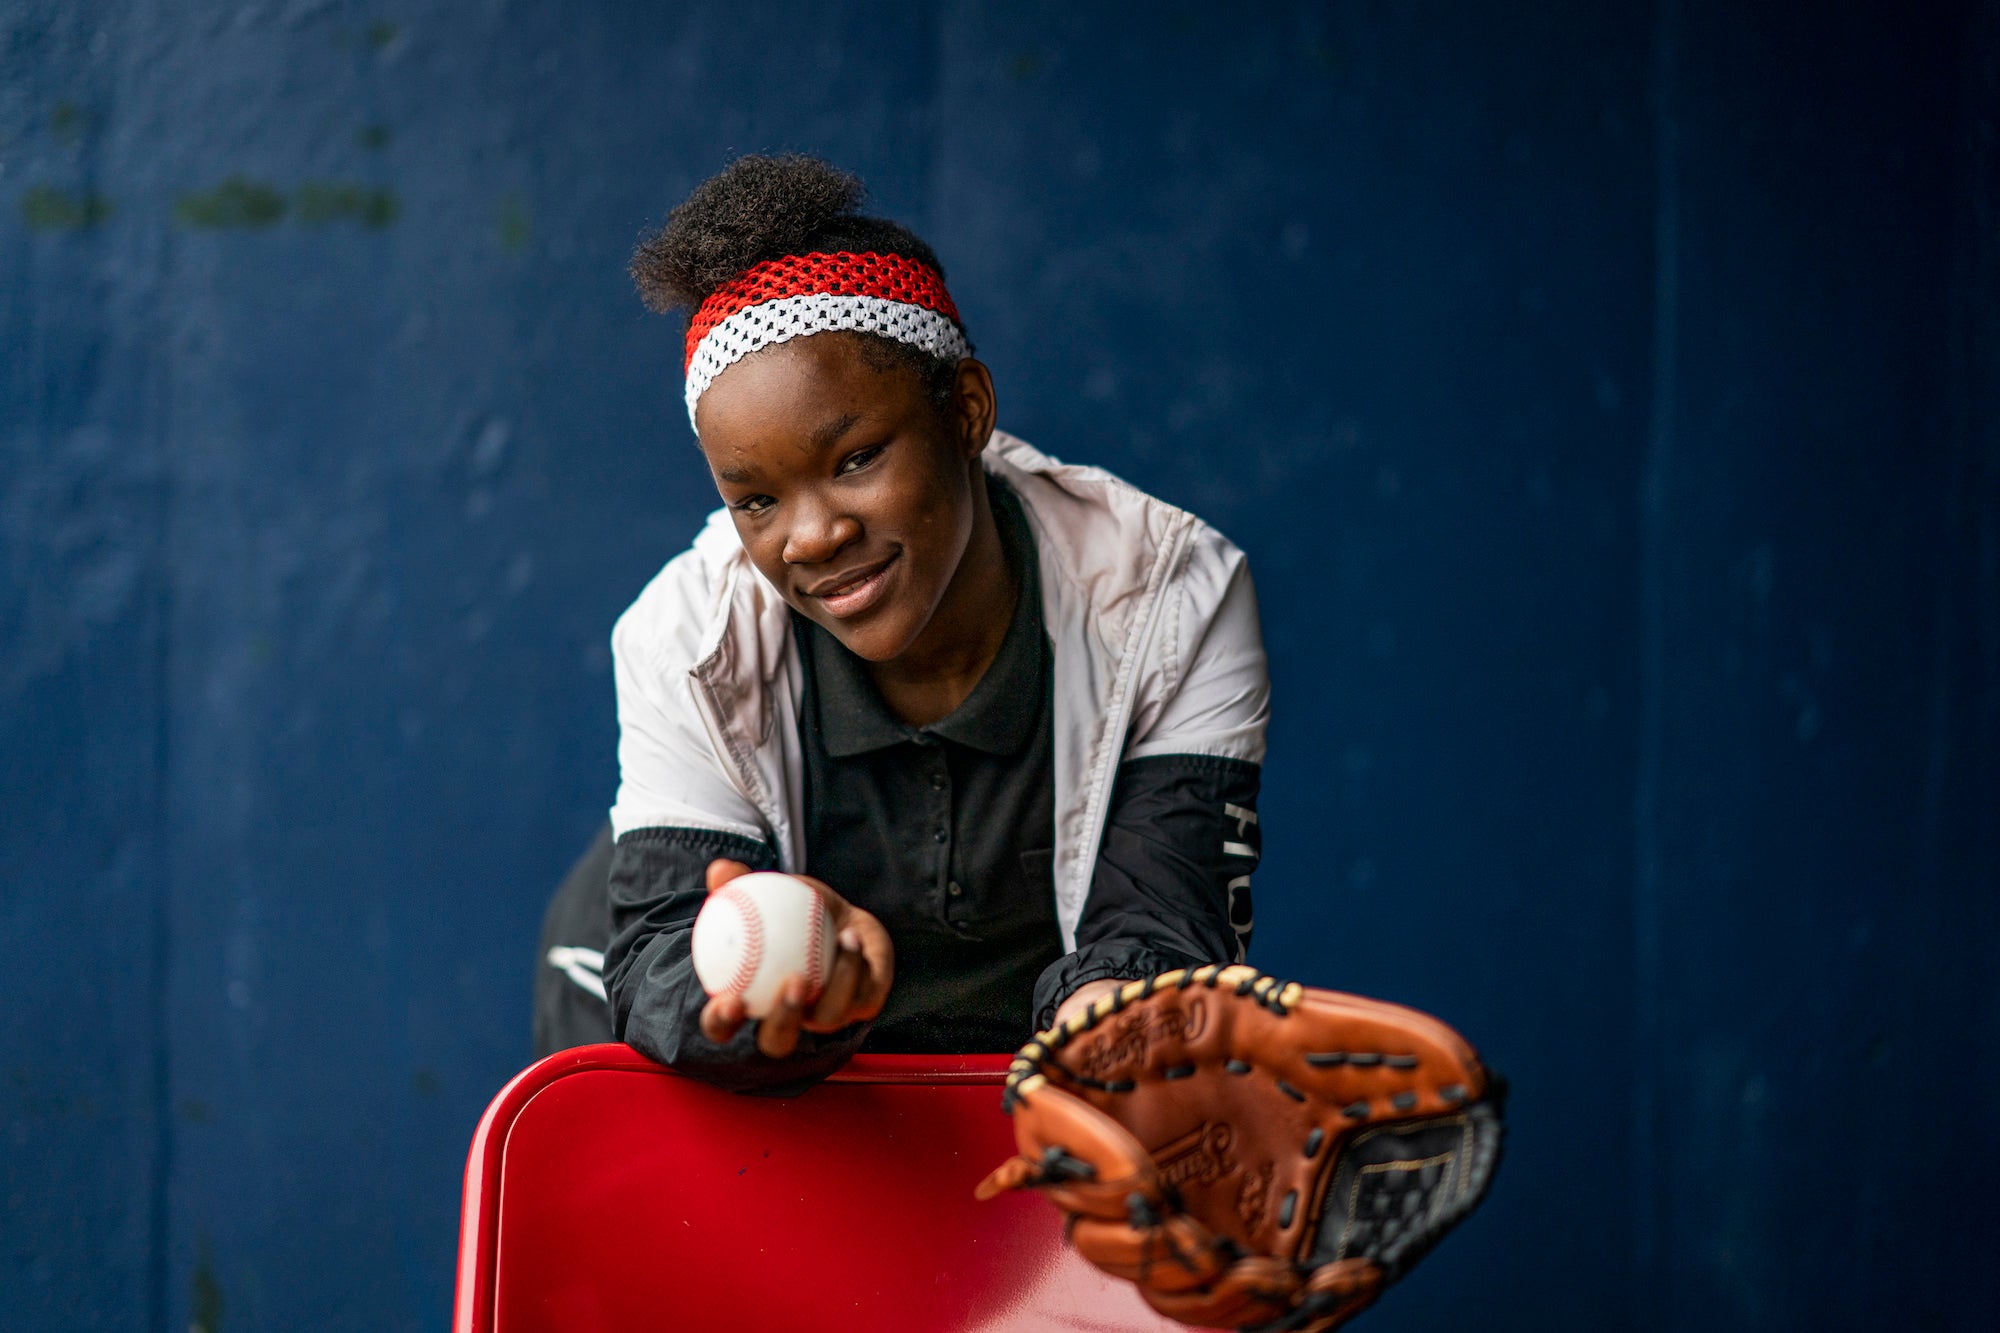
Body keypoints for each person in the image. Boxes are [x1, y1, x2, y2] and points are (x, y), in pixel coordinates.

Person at [533, 154, 1269, 1091]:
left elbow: (1162, 924)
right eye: (756, 500)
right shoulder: (686, 634)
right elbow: (660, 961)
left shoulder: (1171, 596)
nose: (813, 534)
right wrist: (774, 1000)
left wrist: (1112, 1021)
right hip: (704, 1053)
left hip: (1017, 1070)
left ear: (965, 412)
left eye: (855, 458)